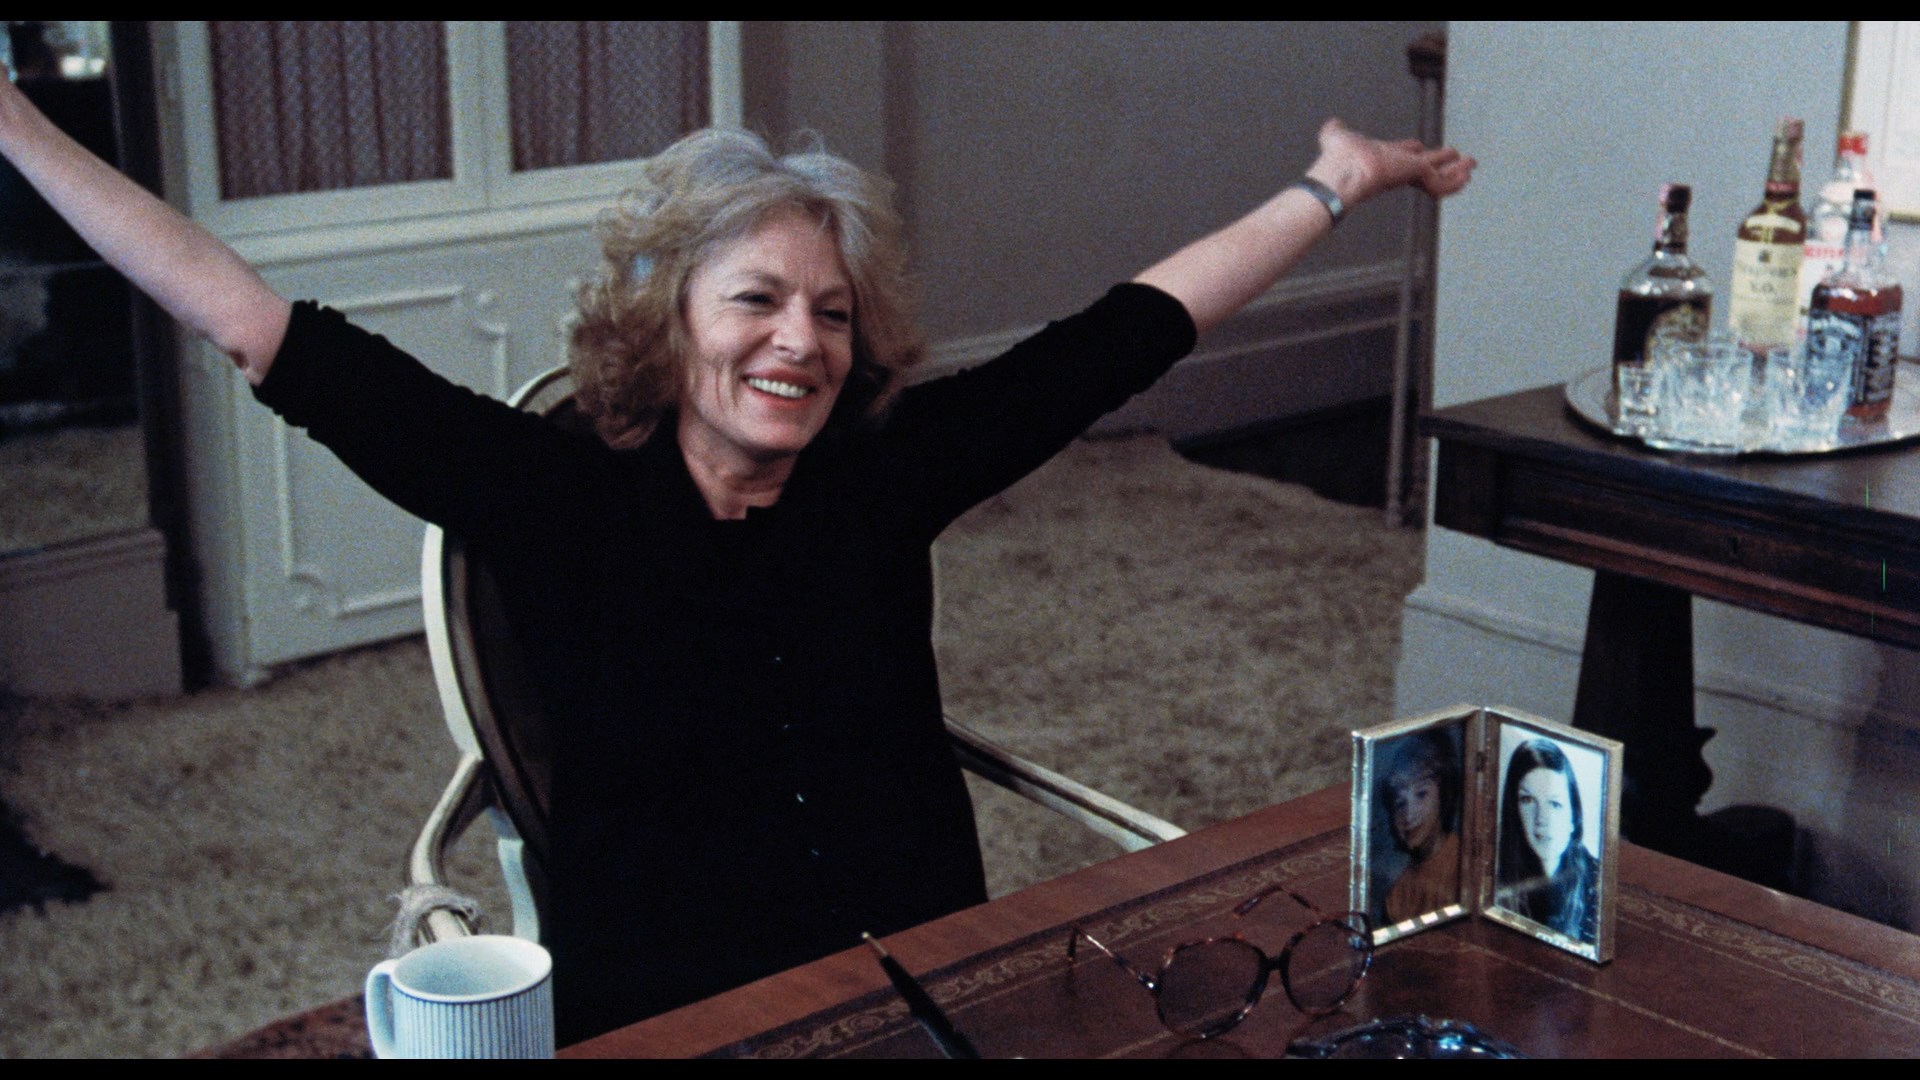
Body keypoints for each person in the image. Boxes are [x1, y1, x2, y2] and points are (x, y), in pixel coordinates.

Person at [0, 65, 1473, 1043]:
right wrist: (14, 122)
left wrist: (1336, 184)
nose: (799, 342)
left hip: (940, 987)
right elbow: (252, 324)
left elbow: (1130, 333)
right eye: (755, 300)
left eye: (830, 312)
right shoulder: (550, 495)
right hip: (684, 1023)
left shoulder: (884, 472)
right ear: (667, 322)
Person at [1495, 738, 1600, 942]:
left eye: (1554, 804)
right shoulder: (1495, 870)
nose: (1541, 819)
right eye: (1527, 800)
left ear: (1574, 818)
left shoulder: (1597, 883)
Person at [1377, 727, 1463, 924]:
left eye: (1421, 794)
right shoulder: (1398, 893)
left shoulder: (1463, 864)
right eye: (1400, 804)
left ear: (1444, 795)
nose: (1408, 815)